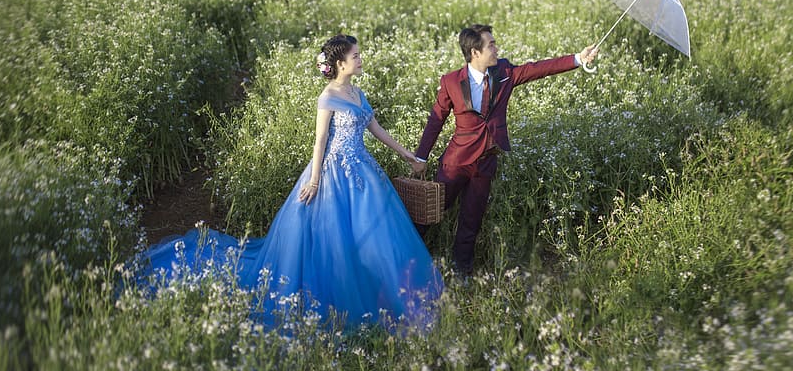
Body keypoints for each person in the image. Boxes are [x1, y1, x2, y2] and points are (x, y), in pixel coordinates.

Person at [139, 34, 443, 331]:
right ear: (339, 64)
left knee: (376, 232)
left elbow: (377, 130)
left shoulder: (358, 94)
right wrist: (313, 181)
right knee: (337, 237)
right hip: (333, 173)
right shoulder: (328, 97)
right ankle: (348, 298)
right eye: (355, 56)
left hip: (363, 170)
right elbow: (319, 142)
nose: (360, 59)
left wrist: (408, 156)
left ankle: (389, 290)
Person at [410, 24, 598, 275]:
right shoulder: (451, 81)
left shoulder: (504, 72)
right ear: (475, 52)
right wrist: (421, 156)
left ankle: (461, 271)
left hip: (486, 162)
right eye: (491, 44)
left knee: (471, 220)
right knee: (430, 212)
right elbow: (436, 121)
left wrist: (577, 59)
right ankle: (407, 258)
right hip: (455, 163)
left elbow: (536, 69)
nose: (496, 48)